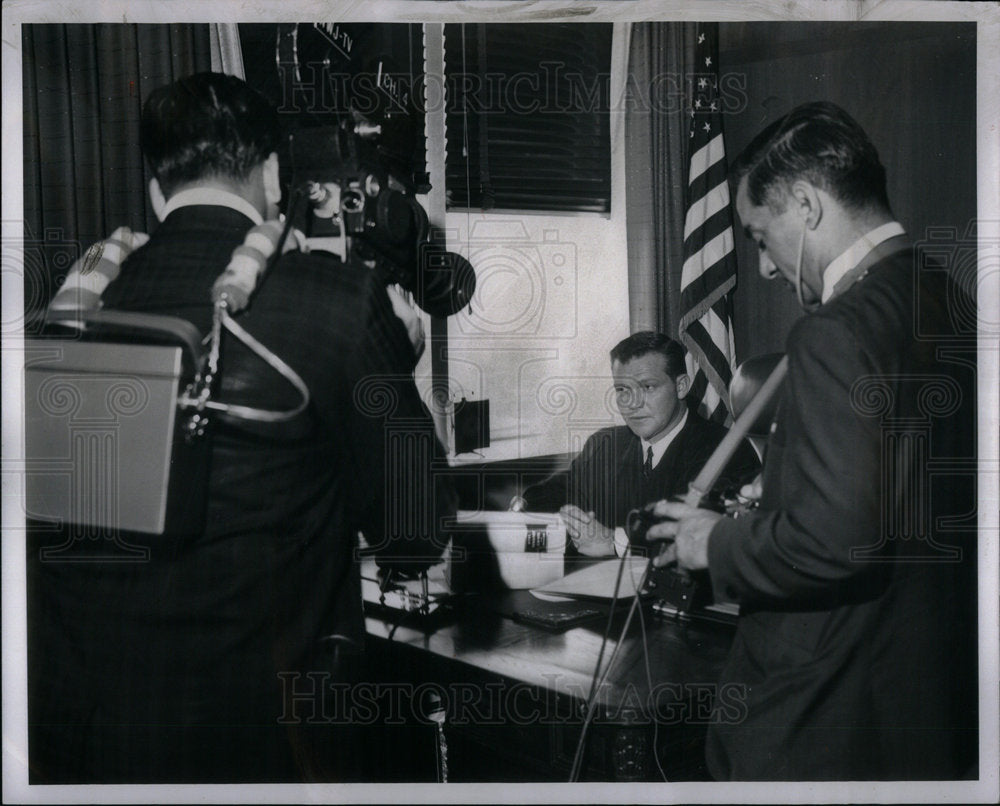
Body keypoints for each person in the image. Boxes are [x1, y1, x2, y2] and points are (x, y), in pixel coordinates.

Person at [27, 72, 455, 783]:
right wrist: (395, 368)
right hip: (260, 747)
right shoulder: (341, 303)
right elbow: (413, 532)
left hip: (76, 737)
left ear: (157, 186)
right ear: (273, 172)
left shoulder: (81, 304)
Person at [647, 102, 978, 780]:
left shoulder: (833, 331)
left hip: (822, 718)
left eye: (760, 236)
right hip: (921, 700)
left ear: (806, 203)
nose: (765, 267)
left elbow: (836, 538)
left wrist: (715, 540)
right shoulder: (947, 297)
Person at [516, 332, 759, 556]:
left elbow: (696, 532)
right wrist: (524, 508)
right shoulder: (605, 444)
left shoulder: (725, 449)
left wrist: (613, 541)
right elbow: (562, 490)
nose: (632, 403)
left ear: (681, 386)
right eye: (622, 389)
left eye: (647, 387)